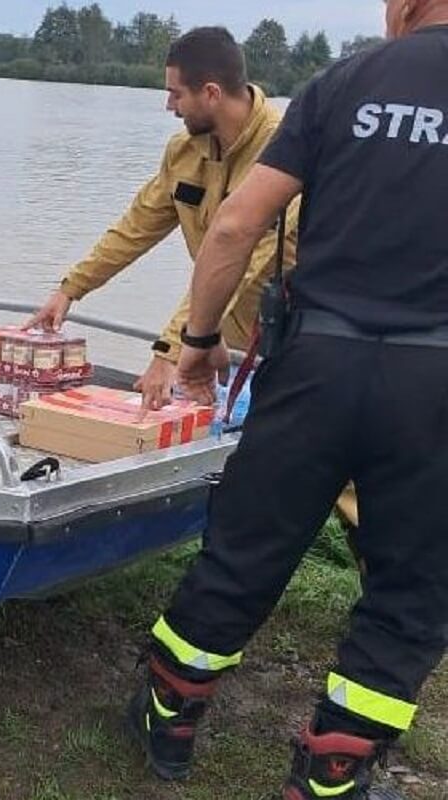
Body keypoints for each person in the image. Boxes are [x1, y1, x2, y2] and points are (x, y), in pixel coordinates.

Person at [128, 1, 448, 797]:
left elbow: (236, 226)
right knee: (412, 588)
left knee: (246, 550)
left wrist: (197, 343)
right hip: (434, 385)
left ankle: (168, 715)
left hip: (315, 363)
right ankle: (333, 774)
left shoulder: (346, 79)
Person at [24, 26, 298, 412]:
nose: (169, 106)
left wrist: (171, 350)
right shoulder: (184, 152)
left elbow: (245, 260)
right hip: (214, 343)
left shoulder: (285, 152)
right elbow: (135, 227)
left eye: (175, 94)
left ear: (211, 93)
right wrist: (70, 289)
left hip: (287, 349)